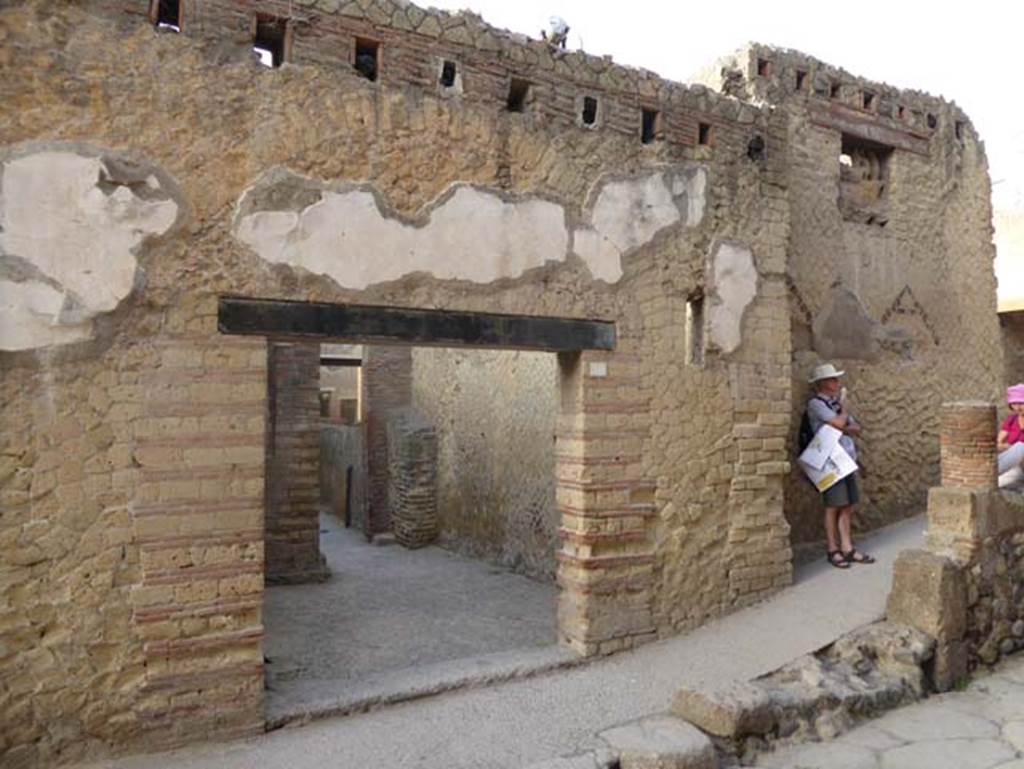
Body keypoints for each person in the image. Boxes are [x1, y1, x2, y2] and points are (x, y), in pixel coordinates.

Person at [806, 363, 875, 569]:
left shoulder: (834, 405)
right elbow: (839, 423)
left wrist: (842, 422)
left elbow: (855, 428)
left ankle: (847, 547)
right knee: (833, 505)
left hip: (845, 460)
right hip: (829, 462)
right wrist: (843, 412)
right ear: (823, 383)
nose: (837, 383)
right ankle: (832, 548)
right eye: (833, 379)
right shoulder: (816, 404)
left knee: (847, 505)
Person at [998, 383, 1024, 487]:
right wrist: (1006, 447)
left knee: (1021, 447)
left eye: (1021, 403)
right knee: (997, 483)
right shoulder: (1011, 420)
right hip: (1012, 464)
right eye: (1014, 404)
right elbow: (999, 443)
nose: (1018, 407)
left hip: (1021, 464)